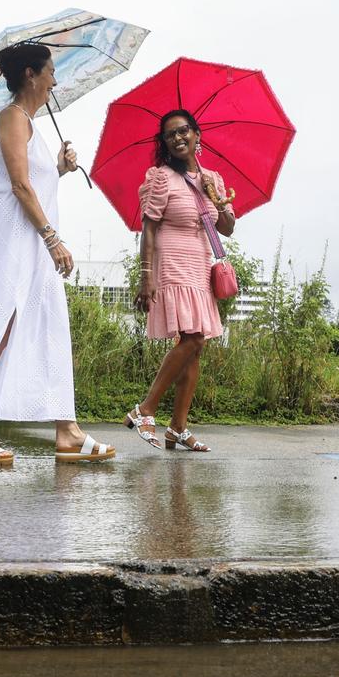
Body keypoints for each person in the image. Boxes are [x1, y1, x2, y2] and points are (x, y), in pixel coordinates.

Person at [0, 43, 113, 465]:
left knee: (51, 326)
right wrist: (52, 237)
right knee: (2, 325)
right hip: (19, 243)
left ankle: (68, 430)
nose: (56, 81)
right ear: (31, 75)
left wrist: (59, 168)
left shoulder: (31, 126)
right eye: (51, 72)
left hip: (36, 247)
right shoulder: (11, 118)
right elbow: (19, 186)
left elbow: (35, 180)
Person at [124, 109, 236, 452]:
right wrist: (146, 277)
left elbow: (227, 228)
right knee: (193, 339)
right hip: (171, 265)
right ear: (166, 143)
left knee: (195, 348)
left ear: (197, 135)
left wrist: (218, 201)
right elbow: (149, 229)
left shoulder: (212, 178)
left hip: (200, 267)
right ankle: (145, 409)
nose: (178, 137)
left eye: (184, 130)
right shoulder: (161, 178)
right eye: (170, 134)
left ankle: (178, 428)